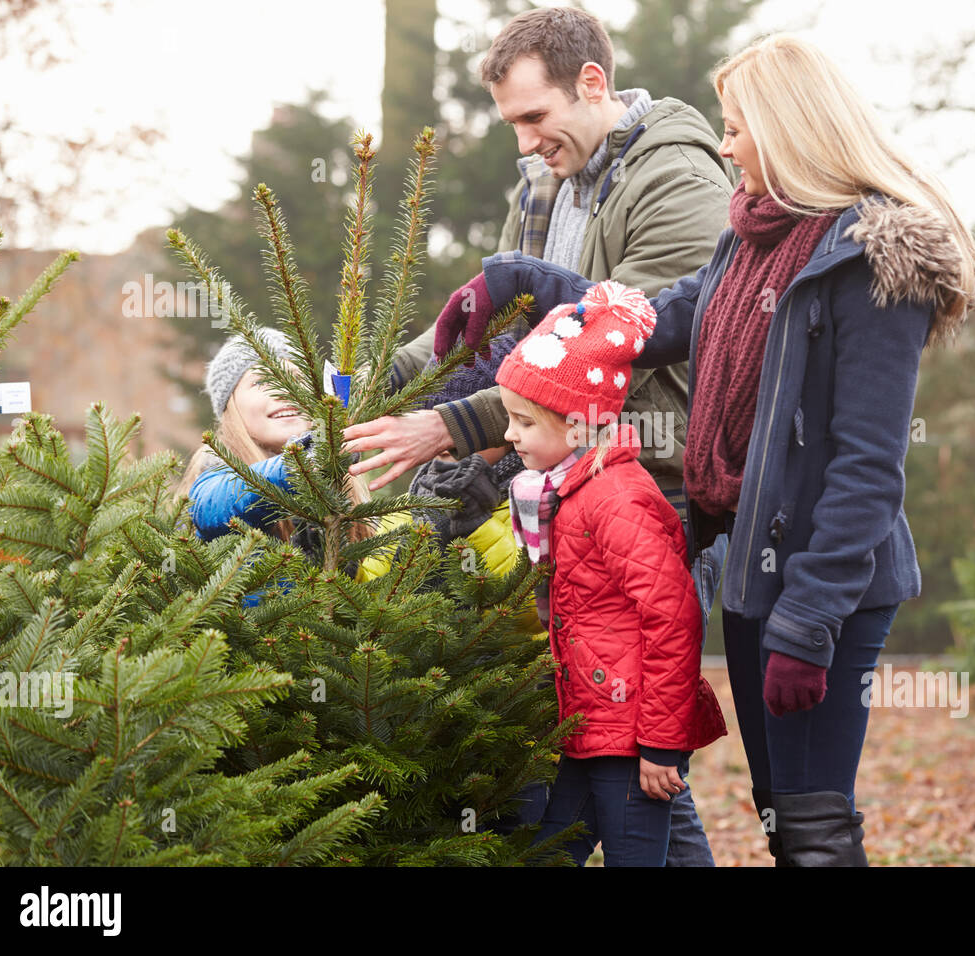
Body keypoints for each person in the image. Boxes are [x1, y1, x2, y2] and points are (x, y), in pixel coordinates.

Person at [435, 33, 975, 865]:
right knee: (779, 807)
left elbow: (868, 468)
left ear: (789, 128)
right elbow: (654, 321)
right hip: (752, 569)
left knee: (810, 822)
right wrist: (522, 278)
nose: (723, 145)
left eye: (735, 128)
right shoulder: (750, 237)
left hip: (823, 583)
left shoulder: (872, 263)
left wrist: (809, 621)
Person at [344, 5, 733, 865]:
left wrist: (446, 428)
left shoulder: (678, 182)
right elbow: (496, 329)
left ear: (592, 84)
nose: (523, 144)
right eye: (511, 123)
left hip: (646, 478)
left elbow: (598, 350)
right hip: (564, 483)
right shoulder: (546, 182)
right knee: (613, 760)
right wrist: (372, 384)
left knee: (634, 755)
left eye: (533, 118)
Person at [494, 279, 727, 866]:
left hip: (630, 739)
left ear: (576, 426)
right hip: (589, 729)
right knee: (549, 853)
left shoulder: (616, 499)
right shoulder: (566, 492)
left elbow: (673, 620)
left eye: (523, 422)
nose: (508, 435)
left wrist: (660, 745)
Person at [178, 328, 401, 587]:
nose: (284, 391)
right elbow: (210, 510)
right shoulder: (215, 469)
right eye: (261, 382)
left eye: (296, 379)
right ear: (231, 405)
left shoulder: (339, 481)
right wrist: (300, 465)